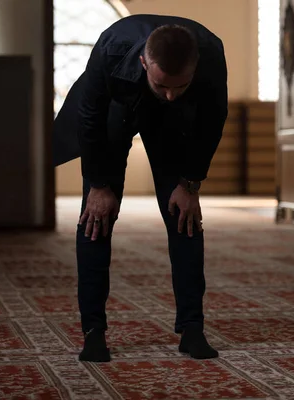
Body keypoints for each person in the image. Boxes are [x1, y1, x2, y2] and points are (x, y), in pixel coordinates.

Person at [52, 14, 228, 362]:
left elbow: (213, 119)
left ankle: (192, 329)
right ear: (144, 62)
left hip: (173, 125)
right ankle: (94, 331)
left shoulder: (210, 52)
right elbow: (90, 114)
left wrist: (189, 184)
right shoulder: (112, 46)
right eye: (162, 84)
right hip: (114, 110)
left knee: (185, 218)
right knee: (95, 219)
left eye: (180, 85)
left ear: (195, 68)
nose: (169, 94)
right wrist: (99, 185)